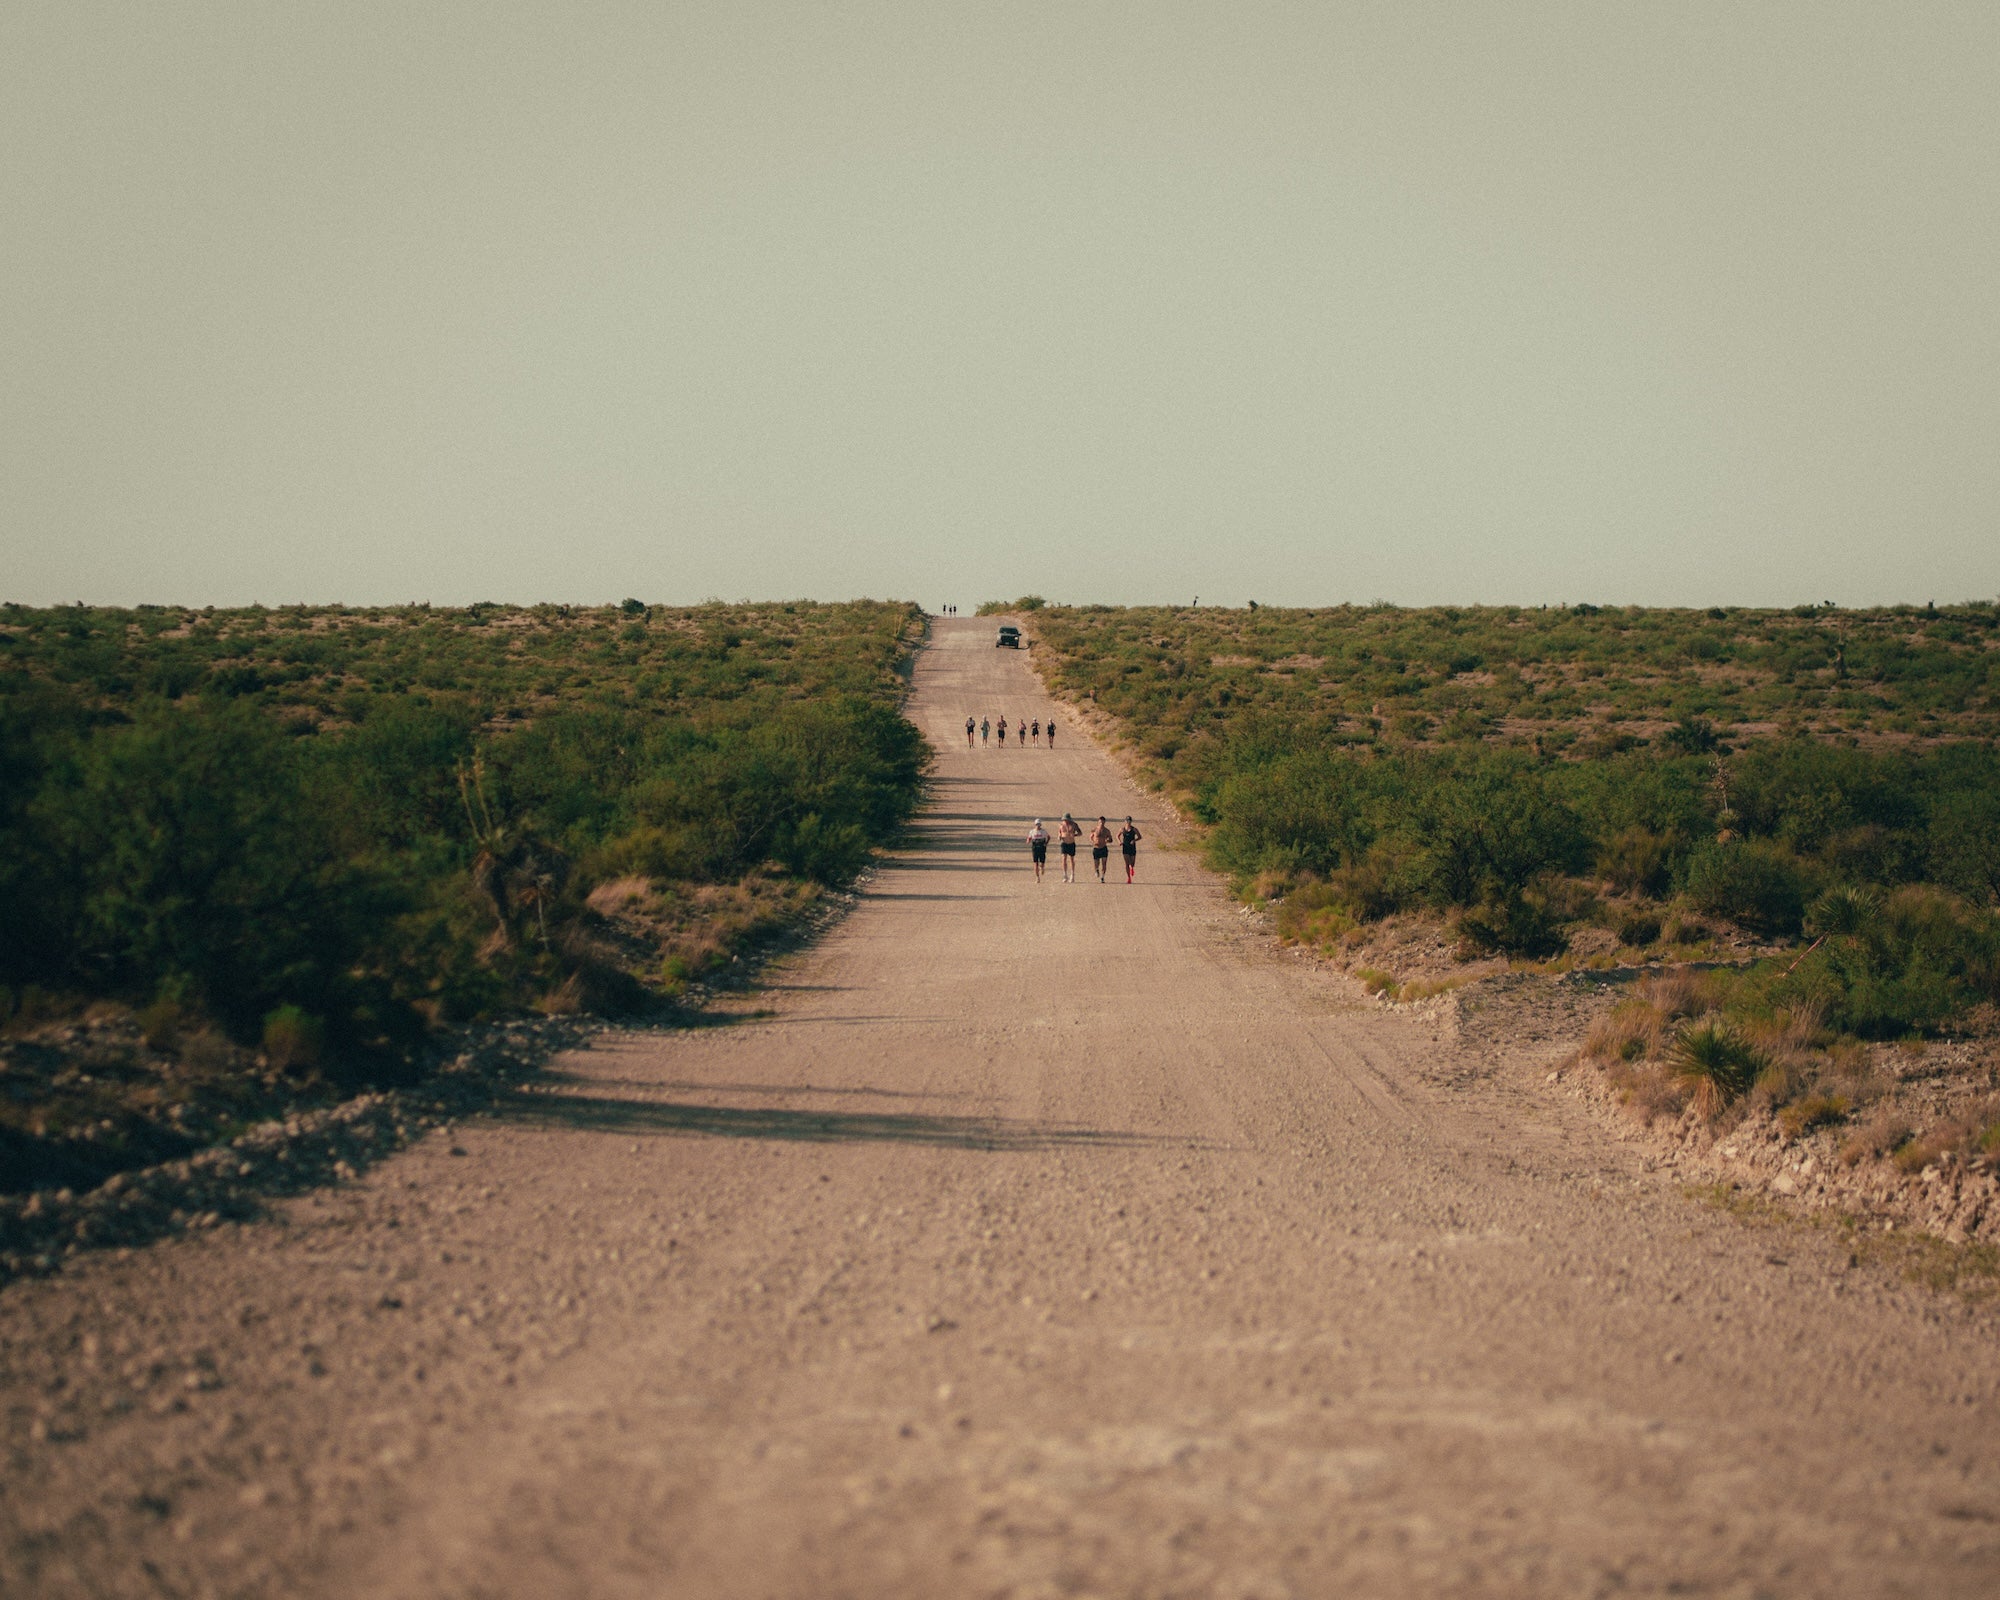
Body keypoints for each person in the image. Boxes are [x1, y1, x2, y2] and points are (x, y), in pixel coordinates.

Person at [1057, 813, 1081, 882]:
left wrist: (1074, 835)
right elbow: (1059, 833)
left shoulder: (1074, 825)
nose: (1066, 821)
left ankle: (1072, 874)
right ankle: (1065, 875)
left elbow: (1080, 833)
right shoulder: (1061, 825)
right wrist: (1059, 836)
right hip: (1064, 843)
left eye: (1067, 819)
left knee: (1071, 859)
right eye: (1065, 819)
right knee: (1064, 858)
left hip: (1071, 843)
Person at [1119, 816, 1142, 883]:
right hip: (1125, 847)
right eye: (1127, 821)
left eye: (1129, 821)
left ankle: (1131, 867)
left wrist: (1134, 840)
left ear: (1131, 822)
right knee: (1127, 863)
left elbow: (1140, 837)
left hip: (1132, 847)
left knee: (1132, 863)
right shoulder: (1122, 829)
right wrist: (1120, 842)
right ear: (1125, 821)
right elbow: (1117, 835)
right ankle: (1129, 878)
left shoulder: (1134, 829)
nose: (1128, 822)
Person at [1089, 816, 1112, 882]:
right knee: (1096, 862)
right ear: (1098, 822)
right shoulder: (1095, 829)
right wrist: (1093, 842)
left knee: (1104, 863)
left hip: (1103, 848)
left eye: (1102, 821)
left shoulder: (1107, 831)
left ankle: (1102, 877)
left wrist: (1108, 840)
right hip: (1096, 848)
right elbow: (1091, 837)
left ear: (1104, 822)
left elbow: (1111, 839)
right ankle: (1096, 870)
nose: (1101, 823)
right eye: (1100, 821)